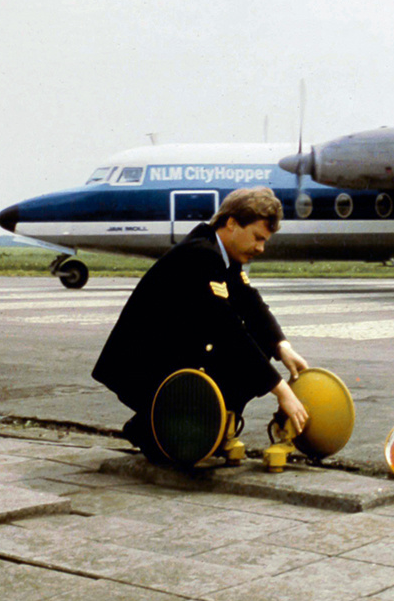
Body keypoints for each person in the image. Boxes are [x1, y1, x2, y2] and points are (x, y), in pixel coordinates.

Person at [92, 186, 310, 461]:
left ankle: (211, 424)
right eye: (257, 237)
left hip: (167, 357)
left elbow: (251, 303)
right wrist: (280, 390)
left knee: (256, 343)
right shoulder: (201, 254)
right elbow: (227, 329)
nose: (260, 248)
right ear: (231, 223)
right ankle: (152, 428)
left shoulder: (222, 255)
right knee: (237, 347)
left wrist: (282, 346)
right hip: (141, 368)